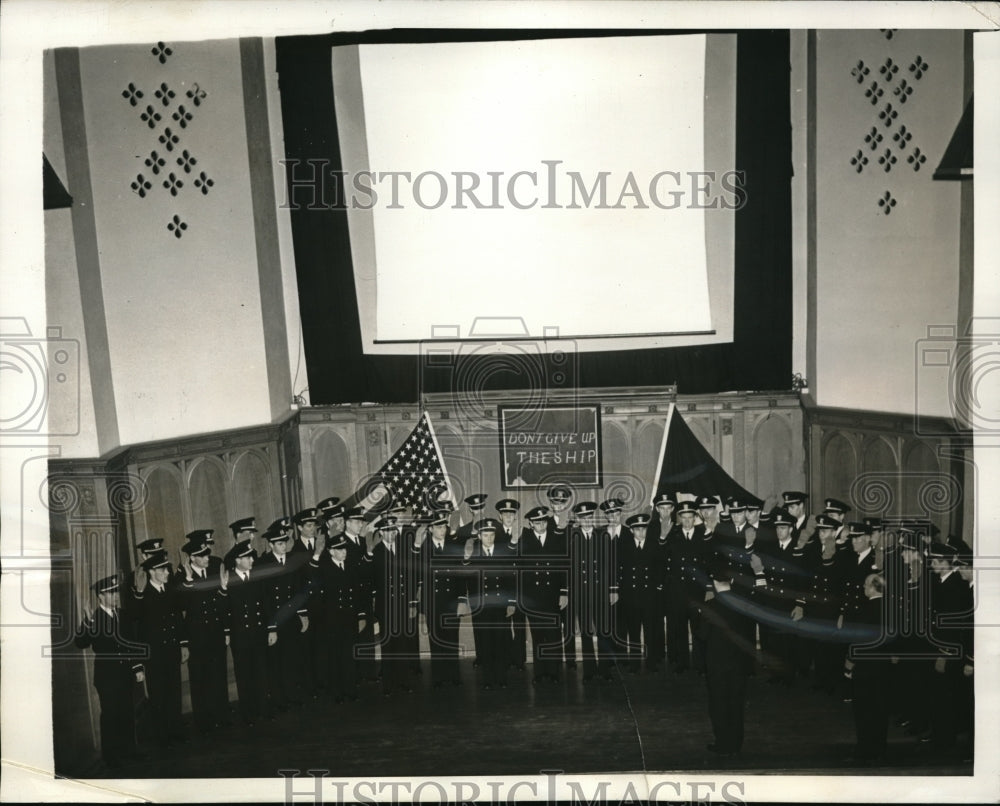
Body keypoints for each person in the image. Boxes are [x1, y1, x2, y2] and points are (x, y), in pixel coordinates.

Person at [74, 574, 145, 769]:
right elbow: (80, 642)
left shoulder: (121, 614)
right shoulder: (94, 618)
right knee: (111, 715)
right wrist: (87, 622)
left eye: (116, 592)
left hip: (125, 673)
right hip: (107, 677)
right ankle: (112, 756)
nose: (115, 596)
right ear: (100, 596)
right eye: (110, 593)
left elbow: (132, 641)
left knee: (127, 713)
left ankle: (129, 750)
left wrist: (137, 667)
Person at [131, 550, 188, 746]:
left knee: (174, 691)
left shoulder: (170, 589)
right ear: (153, 572)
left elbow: (178, 618)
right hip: (154, 655)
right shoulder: (142, 593)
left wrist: (182, 644)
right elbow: (135, 623)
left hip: (172, 650)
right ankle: (162, 735)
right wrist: (138, 593)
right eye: (164, 569)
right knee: (158, 694)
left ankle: (176, 730)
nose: (167, 573)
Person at [700, 560, 757, 757]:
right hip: (738, 662)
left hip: (717, 663)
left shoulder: (710, 606)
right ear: (731, 581)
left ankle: (722, 742)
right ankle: (736, 742)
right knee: (736, 702)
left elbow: (701, 634)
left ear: (714, 583)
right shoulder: (742, 605)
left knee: (719, 702)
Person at [177, 536, 231, 733]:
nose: (207, 557)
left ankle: (222, 716)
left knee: (219, 676)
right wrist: (189, 581)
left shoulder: (215, 570)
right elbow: (182, 606)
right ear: (192, 558)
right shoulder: (182, 576)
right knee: (200, 679)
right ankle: (204, 721)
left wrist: (224, 589)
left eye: (206, 553)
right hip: (196, 637)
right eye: (201, 555)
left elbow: (223, 606)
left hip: (215, 633)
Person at [257, 517, 311, 710]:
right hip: (275, 621)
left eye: (285, 542)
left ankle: (292, 694)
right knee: (276, 662)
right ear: (271, 544)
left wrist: (303, 615)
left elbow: (298, 590)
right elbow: (264, 598)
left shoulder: (291, 561)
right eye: (279, 543)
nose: (283, 546)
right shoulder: (264, 563)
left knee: (291, 659)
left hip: (291, 619)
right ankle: (279, 699)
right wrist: (271, 627)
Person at [308, 532, 367, 703]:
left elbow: (359, 593)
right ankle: (337, 692)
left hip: (349, 619)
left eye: (345, 549)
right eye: (339, 549)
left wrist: (361, 616)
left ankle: (350, 689)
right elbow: (311, 574)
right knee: (334, 658)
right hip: (332, 621)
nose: (344, 552)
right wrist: (317, 553)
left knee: (349, 656)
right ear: (331, 551)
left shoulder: (351, 567)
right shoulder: (324, 568)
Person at [220, 538, 271, 727]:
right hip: (240, 637)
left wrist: (270, 628)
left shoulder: (256, 578)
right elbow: (224, 611)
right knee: (244, 676)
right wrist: (223, 590)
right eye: (247, 558)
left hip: (258, 633)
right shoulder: (229, 581)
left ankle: (264, 709)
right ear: (237, 560)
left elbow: (266, 605)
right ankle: (248, 714)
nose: (251, 561)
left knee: (261, 672)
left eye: (251, 557)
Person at [368, 515, 421, 696]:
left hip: (403, 604)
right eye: (388, 531)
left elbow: (411, 577)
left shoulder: (403, 550)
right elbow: (372, 582)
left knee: (403, 645)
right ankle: (389, 685)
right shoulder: (376, 553)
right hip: (386, 606)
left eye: (393, 531)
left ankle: (404, 682)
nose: (392, 534)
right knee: (388, 646)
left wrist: (413, 603)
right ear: (381, 533)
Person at [518, 505, 569, 684]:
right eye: (537, 522)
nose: (541, 525)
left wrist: (564, 592)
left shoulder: (556, 539)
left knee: (553, 634)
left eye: (543, 521)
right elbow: (520, 571)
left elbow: (565, 567)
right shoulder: (524, 540)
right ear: (531, 524)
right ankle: (540, 672)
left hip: (553, 595)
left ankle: (554, 672)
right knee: (538, 635)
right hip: (533, 598)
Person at [464, 517, 517, 689]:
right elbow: (468, 581)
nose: (489, 538)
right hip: (481, 607)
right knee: (484, 644)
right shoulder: (473, 554)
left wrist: (511, 602)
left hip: (500, 606)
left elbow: (510, 579)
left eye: (492, 535)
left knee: (500, 642)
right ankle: (487, 679)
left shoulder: (503, 553)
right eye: (485, 535)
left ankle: (501, 678)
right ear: (479, 536)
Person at [844, 573, 890, 764]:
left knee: (863, 710)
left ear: (873, 587)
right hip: (883, 666)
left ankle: (865, 750)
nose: (863, 587)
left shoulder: (865, 610)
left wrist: (850, 661)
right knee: (880, 708)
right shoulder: (891, 608)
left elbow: (860, 639)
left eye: (865, 584)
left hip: (865, 667)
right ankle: (880, 749)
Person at [417, 510, 465, 687]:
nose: (442, 529)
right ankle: (438, 676)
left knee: (452, 638)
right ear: (430, 529)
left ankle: (454, 675)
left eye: (444, 526)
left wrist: (462, 600)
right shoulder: (423, 548)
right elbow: (418, 576)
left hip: (451, 601)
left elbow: (461, 575)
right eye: (438, 526)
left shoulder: (454, 546)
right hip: (433, 602)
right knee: (436, 639)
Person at [662, 501, 706, 673]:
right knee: (679, 628)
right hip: (677, 591)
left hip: (696, 591)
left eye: (690, 518)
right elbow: (663, 558)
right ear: (679, 518)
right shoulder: (673, 535)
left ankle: (699, 663)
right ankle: (683, 663)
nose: (687, 522)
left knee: (697, 629)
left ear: (695, 518)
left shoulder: (702, 535)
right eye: (684, 518)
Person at [617, 513, 664, 673]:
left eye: (643, 529)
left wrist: (657, 588)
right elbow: (619, 571)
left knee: (650, 630)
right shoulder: (624, 547)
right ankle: (635, 663)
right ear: (631, 531)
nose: (641, 533)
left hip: (649, 596)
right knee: (634, 631)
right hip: (631, 597)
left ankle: (651, 662)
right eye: (637, 529)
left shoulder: (653, 545)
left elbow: (660, 569)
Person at [495, 498, 527, 671]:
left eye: (511, 514)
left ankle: (520, 660)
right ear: (500, 516)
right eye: (505, 513)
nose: (508, 516)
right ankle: (506, 658)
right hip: (502, 586)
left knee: (520, 626)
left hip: (520, 587)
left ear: (515, 516)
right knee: (504, 625)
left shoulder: (525, 533)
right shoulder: (494, 535)